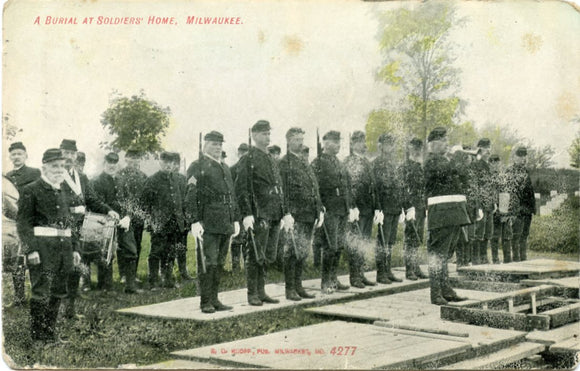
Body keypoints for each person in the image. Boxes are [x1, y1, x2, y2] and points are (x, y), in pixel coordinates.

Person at [17, 149, 76, 342]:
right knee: (41, 290)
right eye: (54, 166)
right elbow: (24, 223)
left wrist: (75, 249)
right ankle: (37, 335)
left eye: (62, 166)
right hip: (42, 250)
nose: (59, 170)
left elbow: (71, 223)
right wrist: (31, 249)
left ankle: (49, 333)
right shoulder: (31, 190)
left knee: (58, 290)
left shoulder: (65, 191)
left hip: (64, 250)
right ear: (44, 167)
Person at [235, 120, 294, 306]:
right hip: (259, 213)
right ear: (254, 136)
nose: (267, 137)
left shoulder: (270, 159)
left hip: (274, 213)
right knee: (255, 254)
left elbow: (279, 188)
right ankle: (252, 293)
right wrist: (246, 214)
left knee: (268, 255)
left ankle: (262, 291)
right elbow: (242, 188)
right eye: (263, 134)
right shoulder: (248, 159)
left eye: (269, 134)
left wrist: (285, 212)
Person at [60, 139, 118, 318]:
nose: (69, 157)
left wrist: (109, 210)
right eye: (66, 153)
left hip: (79, 227)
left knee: (76, 265)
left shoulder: (81, 177)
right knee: (61, 267)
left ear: (76, 155)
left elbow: (92, 199)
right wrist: (70, 209)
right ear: (60, 152)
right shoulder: (55, 175)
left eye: (72, 153)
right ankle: (56, 308)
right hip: (61, 226)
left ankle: (70, 309)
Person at [186, 131, 240, 313]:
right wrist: (194, 221)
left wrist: (236, 219)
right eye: (214, 144)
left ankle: (215, 299)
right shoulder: (196, 166)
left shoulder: (224, 167)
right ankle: (205, 301)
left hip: (225, 221)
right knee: (208, 262)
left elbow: (232, 195)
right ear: (205, 145)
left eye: (220, 144)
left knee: (219, 262)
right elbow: (191, 194)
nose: (217, 147)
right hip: (208, 222)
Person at [424, 128, 470, 305]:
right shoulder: (432, 162)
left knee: (446, 255)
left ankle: (446, 290)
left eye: (446, 140)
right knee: (438, 255)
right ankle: (435, 293)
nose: (446, 143)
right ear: (432, 144)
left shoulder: (446, 161)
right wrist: (457, 156)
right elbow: (447, 171)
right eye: (442, 141)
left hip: (453, 213)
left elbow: (462, 176)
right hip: (441, 214)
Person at [312, 130, 359, 294]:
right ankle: (325, 281)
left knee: (339, 246)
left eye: (339, 141)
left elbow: (347, 185)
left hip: (342, 208)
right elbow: (315, 188)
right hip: (330, 209)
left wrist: (351, 206)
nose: (338, 144)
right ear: (325, 143)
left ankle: (334, 278)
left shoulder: (339, 162)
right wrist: (320, 207)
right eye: (334, 141)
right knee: (330, 246)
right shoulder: (318, 163)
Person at [279, 127, 323, 300]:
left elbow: (314, 188)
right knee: (291, 252)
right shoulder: (284, 163)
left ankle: (299, 286)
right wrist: (286, 213)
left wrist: (319, 210)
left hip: (308, 215)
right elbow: (282, 191)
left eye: (302, 139)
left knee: (302, 252)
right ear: (288, 141)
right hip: (295, 216)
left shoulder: (305, 162)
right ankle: (290, 289)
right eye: (296, 139)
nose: (300, 142)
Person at [90, 153, 136, 293]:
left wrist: (128, 217)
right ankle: (106, 286)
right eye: (109, 162)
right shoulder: (96, 181)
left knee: (131, 251)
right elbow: (97, 203)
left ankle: (130, 286)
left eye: (114, 163)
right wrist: (112, 216)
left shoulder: (122, 180)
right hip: (105, 222)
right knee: (106, 253)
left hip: (123, 222)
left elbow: (129, 202)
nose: (112, 165)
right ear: (104, 163)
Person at [141, 151, 188, 289]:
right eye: (165, 162)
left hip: (175, 222)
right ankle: (153, 280)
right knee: (156, 251)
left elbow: (181, 200)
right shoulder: (152, 180)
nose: (168, 165)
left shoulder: (177, 179)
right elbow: (145, 203)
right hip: (159, 222)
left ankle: (167, 279)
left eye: (171, 163)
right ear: (160, 162)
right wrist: (151, 220)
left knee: (171, 251)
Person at [6, 141, 41, 306]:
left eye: (19, 153)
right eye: (13, 154)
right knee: (17, 258)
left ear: (26, 155)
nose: (16, 157)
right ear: (10, 157)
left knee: (34, 256)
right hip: (14, 221)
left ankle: (38, 295)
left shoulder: (34, 173)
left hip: (31, 221)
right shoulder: (7, 176)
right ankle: (19, 297)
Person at [343, 131, 378, 287]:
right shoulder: (349, 161)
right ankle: (354, 277)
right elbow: (348, 187)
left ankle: (361, 274)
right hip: (357, 210)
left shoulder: (367, 162)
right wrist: (352, 206)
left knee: (363, 242)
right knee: (356, 243)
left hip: (368, 209)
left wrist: (377, 207)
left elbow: (372, 186)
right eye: (359, 141)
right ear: (352, 144)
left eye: (364, 141)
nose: (363, 144)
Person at [372, 133, 403, 284]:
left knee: (390, 241)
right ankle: (381, 272)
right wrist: (378, 208)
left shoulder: (394, 163)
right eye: (387, 144)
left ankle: (388, 270)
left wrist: (402, 206)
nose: (390, 147)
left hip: (395, 207)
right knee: (382, 240)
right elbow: (376, 188)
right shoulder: (377, 163)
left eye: (392, 144)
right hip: (384, 207)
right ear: (381, 146)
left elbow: (398, 186)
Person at [400, 138, 428, 280]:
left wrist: (425, 206)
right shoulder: (405, 167)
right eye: (414, 148)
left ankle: (416, 267)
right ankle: (409, 270)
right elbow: (403, 189)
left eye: (419, 148)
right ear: (409, 149)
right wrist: (407, 207)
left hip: (421, 207)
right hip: (411, 208)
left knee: (418, 239)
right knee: (411, 238)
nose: (417, 151)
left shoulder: (420, 167)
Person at [116, 149, 148, 273]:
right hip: (123, 217)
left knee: (137, 244)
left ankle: (133, 274)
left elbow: (145, 198)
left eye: (137, 158)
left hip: (138, 217)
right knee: (123, 245)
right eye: (131, 158)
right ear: (126, 159)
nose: (134, 161)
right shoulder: (119, 175)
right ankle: (123, 273)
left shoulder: (143, 177)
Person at [508, 146, 536, 262]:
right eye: (520, 156)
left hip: (527, 210)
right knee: (516, 236)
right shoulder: (510, 171)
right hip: (517, 210)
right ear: (515, 157)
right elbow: (509, 191)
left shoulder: (526, 171)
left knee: (524, 236)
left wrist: (532, 208)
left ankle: (523, 260)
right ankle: (516, 261)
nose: (523, 158)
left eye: (525, 156)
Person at [169, 152, 194, 282]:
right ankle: (168, 274)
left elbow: (187, 199)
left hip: (182, 220)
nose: (175, 166)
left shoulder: (183, 179)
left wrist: (187, 219)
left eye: (177, 164)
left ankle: (184, 272)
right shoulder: (165, 179)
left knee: (182, 247)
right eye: (173, 163)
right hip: (169, 220)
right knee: (169, 248)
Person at [471, 138, 495, 264]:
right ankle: (476, 259)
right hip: (480, 205)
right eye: (485, 148)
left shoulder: (489, 166)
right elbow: (475, 187)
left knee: (488, 233)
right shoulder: (475, 165)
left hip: (489, 205)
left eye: (489, 148)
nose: (488, 151)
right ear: (479, 149)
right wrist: (478, 206)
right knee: (478, 232)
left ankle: (484, 257)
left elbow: (491, 186)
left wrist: (494, 203)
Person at [228, 143, 249, 272]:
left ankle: (247, 265)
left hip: (249, 210)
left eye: (246, 153)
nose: (243, 155)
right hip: (237, 209)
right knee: (237, 238)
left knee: (248, 237)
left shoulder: (251, 170)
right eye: (241, 153)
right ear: (238, 154)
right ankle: (236, 266)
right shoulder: (232, 169)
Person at [489, 155, 513, 263]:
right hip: (494, 210)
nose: (496, 166)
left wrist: (506, 212)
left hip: (504, 209)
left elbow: (507, 193)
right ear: (490, 164)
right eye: (494, 164)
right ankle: (495, 259)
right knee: (494, 236)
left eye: (498, 163)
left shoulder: (504, 177)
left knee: (506, 236)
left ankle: (507, 259)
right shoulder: (488, 177)